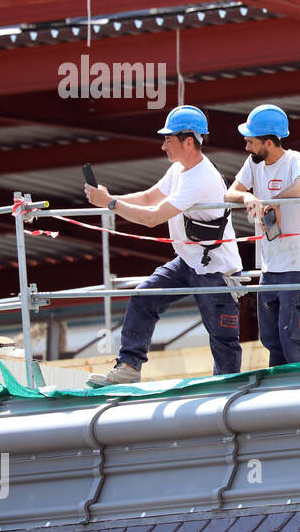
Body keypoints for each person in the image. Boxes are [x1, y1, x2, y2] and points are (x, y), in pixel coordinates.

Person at [84, 105, 243, 384]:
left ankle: (227, 388)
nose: (163, 146)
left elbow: (152, 217)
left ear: (189, 141)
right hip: (188, 260)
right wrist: (111, 198)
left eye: (168, 139)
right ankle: (129, 368)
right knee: (144, 297)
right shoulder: (180, 170)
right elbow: (148, 197)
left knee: (222, 337)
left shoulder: (201, 178)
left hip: (215, 270)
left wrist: (109, 203)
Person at [225, 104, 300, 366]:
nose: (247, 148)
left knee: (294, 339)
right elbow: (230, 192)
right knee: (271, 338)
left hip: (296, 264)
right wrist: (248, 196)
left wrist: (273, 201)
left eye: (251, 142)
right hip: (269, 266)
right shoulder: (253, 164)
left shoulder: (296, 160)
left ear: (269, 142)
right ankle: (280, 396)